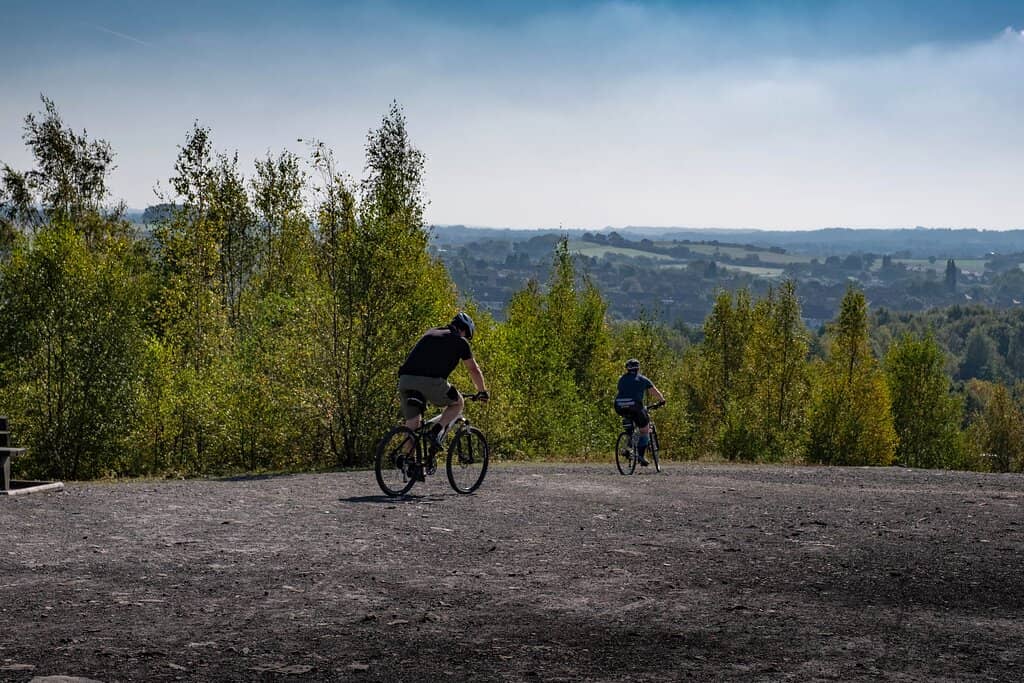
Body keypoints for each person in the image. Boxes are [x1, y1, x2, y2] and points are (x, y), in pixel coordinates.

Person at [398, 312, 489, 468]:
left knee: (413, 423)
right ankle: (435, 432)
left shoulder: (431, 332)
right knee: (458, 402)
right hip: (430, 381)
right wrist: (482, 391)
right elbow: (474, 369)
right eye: (467, 335)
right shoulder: (460, 341)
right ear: (464, 330)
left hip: (405, 380)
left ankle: (410, 462)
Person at [614, 358, 665, 466]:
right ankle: (641, 456)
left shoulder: (621, 379)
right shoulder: (642, 379)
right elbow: (654, 392)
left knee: (630, 424)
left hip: (619, 406)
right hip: (635, 406)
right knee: (645, 429)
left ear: (627, 368)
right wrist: (662, 400)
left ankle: (629, 442)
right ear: (638, 368)